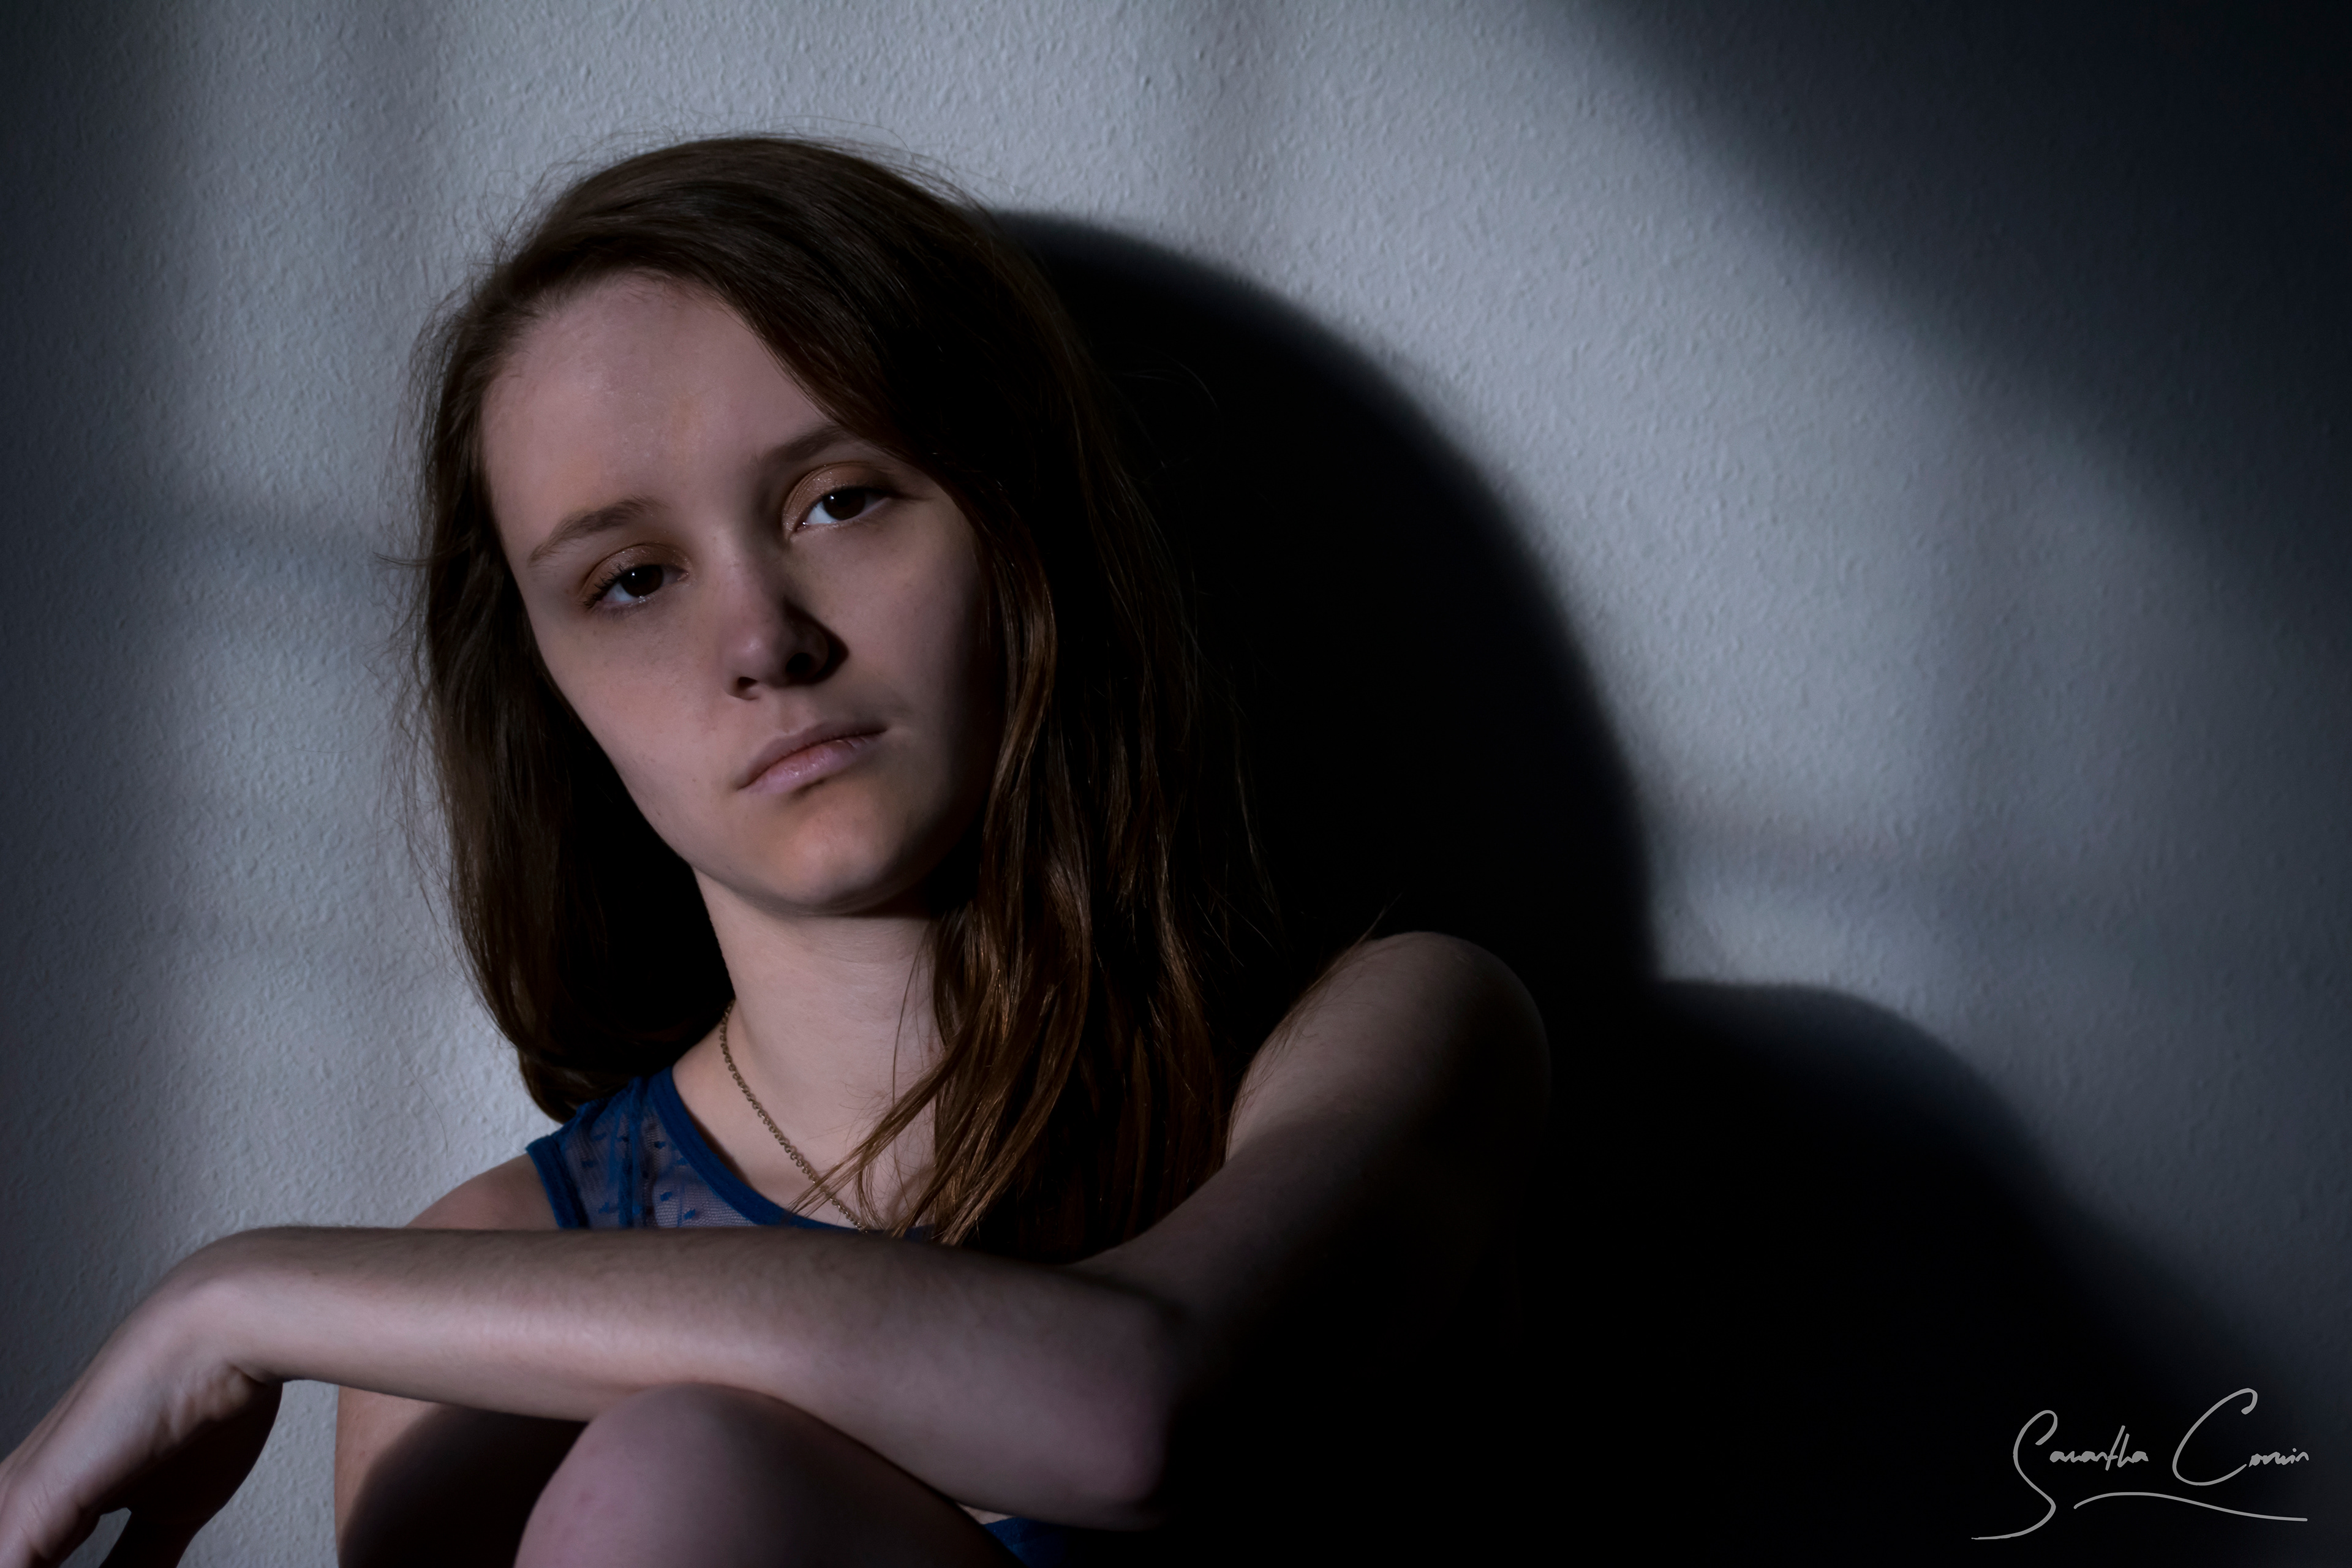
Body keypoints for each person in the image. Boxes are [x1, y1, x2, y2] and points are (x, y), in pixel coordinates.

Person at [0, 137, 1547, 1567]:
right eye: (630, 580)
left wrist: (239, 1297)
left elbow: (1130, 1406)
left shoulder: (1385, 1034)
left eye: (839, 499)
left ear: (1020, 521)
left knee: (675, 1470)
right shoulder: (473, 1286)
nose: (764, 640)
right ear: (546, 693)